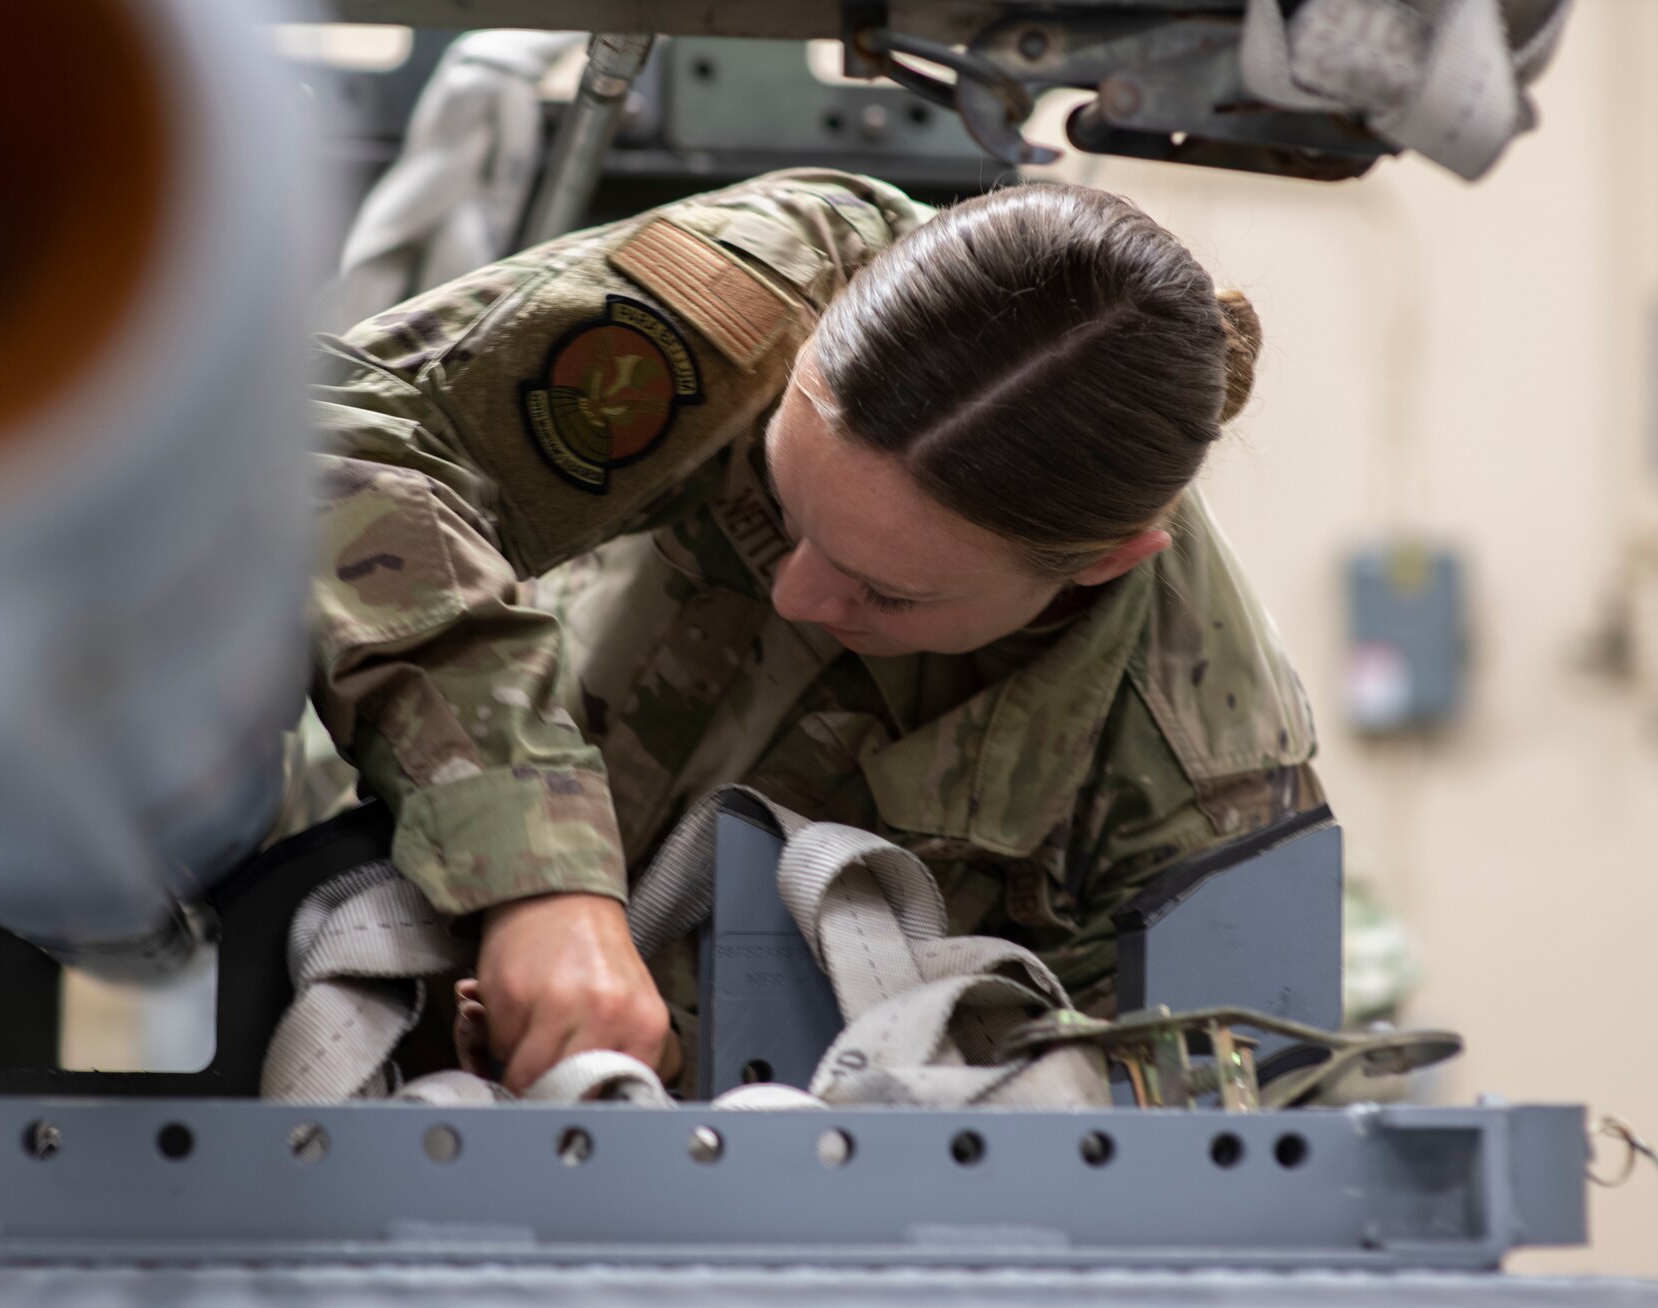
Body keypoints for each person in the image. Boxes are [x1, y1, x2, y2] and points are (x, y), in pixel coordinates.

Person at [306, 169, 1320, 1094]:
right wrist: (538, 877)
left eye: (885, 594)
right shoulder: (755, 295)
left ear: (1106, 564)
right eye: (784, 510)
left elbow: (1219, 1156)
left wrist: (684, 1066)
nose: (796, 592)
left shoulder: (1199, 786)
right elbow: (325, 444)